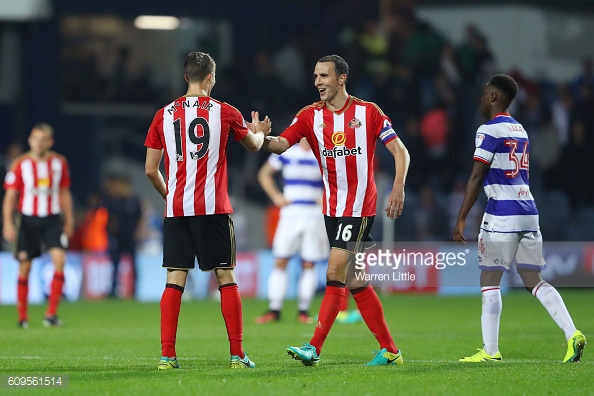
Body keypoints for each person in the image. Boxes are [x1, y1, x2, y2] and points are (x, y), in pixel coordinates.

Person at [263, 54, 410, 366]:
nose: (318, 82)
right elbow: (279, 145)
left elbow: (400, 150)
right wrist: (258, 137)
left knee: (334, 272)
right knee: (356, 279)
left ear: (341, 78)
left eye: (324, 76)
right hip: (331, 208)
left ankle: (314, 347)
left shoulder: (367, 113)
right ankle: (391, 350)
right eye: (316, 76)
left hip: (358, 206)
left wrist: (398, 186)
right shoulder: (308, 116)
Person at [144, 51, 271, 370]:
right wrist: (260, 131)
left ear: (186, 77)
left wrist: (170, 194)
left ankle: (167, 356)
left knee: (174, 279)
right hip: (213, 208)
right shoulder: (225, 112)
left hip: (177, 210)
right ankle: (237, 355)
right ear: (211, 78)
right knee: (225, 276)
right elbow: (254, 146)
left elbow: (150, 169)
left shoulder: (163, 114)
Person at [453, 74, 587, 363]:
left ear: (493, 97)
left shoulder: (487, 130)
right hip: (528, 210)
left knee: (489, 280)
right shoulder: (520, 129)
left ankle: (490, 351)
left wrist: (461, 217)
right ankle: (572, 332)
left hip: (502, 212)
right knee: (533, 279)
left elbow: (477, 176)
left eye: (484, 92)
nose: (480, 97)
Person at [2, 123, 74, 328]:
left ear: (50, 142)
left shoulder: (59, 163)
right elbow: (10, 196)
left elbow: (64, 192)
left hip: (52, 219)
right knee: (25, 267)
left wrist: (68, 219)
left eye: (43, 139)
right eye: (35, 138)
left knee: (60, 261)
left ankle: (50, 314)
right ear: (30, 140)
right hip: (27, 220)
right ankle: (22, 317)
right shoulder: (19, 164)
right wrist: (7, 222)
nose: (39, 143)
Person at [255, 138, 328, 325]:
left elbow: (337, 179)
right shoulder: (287, 152)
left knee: (309, 264)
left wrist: (326, 196)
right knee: (280, 260)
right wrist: (276, 196)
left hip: (314, 214)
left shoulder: (323, 153)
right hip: (290, 213)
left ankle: (303, 311)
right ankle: (274, 309)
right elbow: (264, 174)